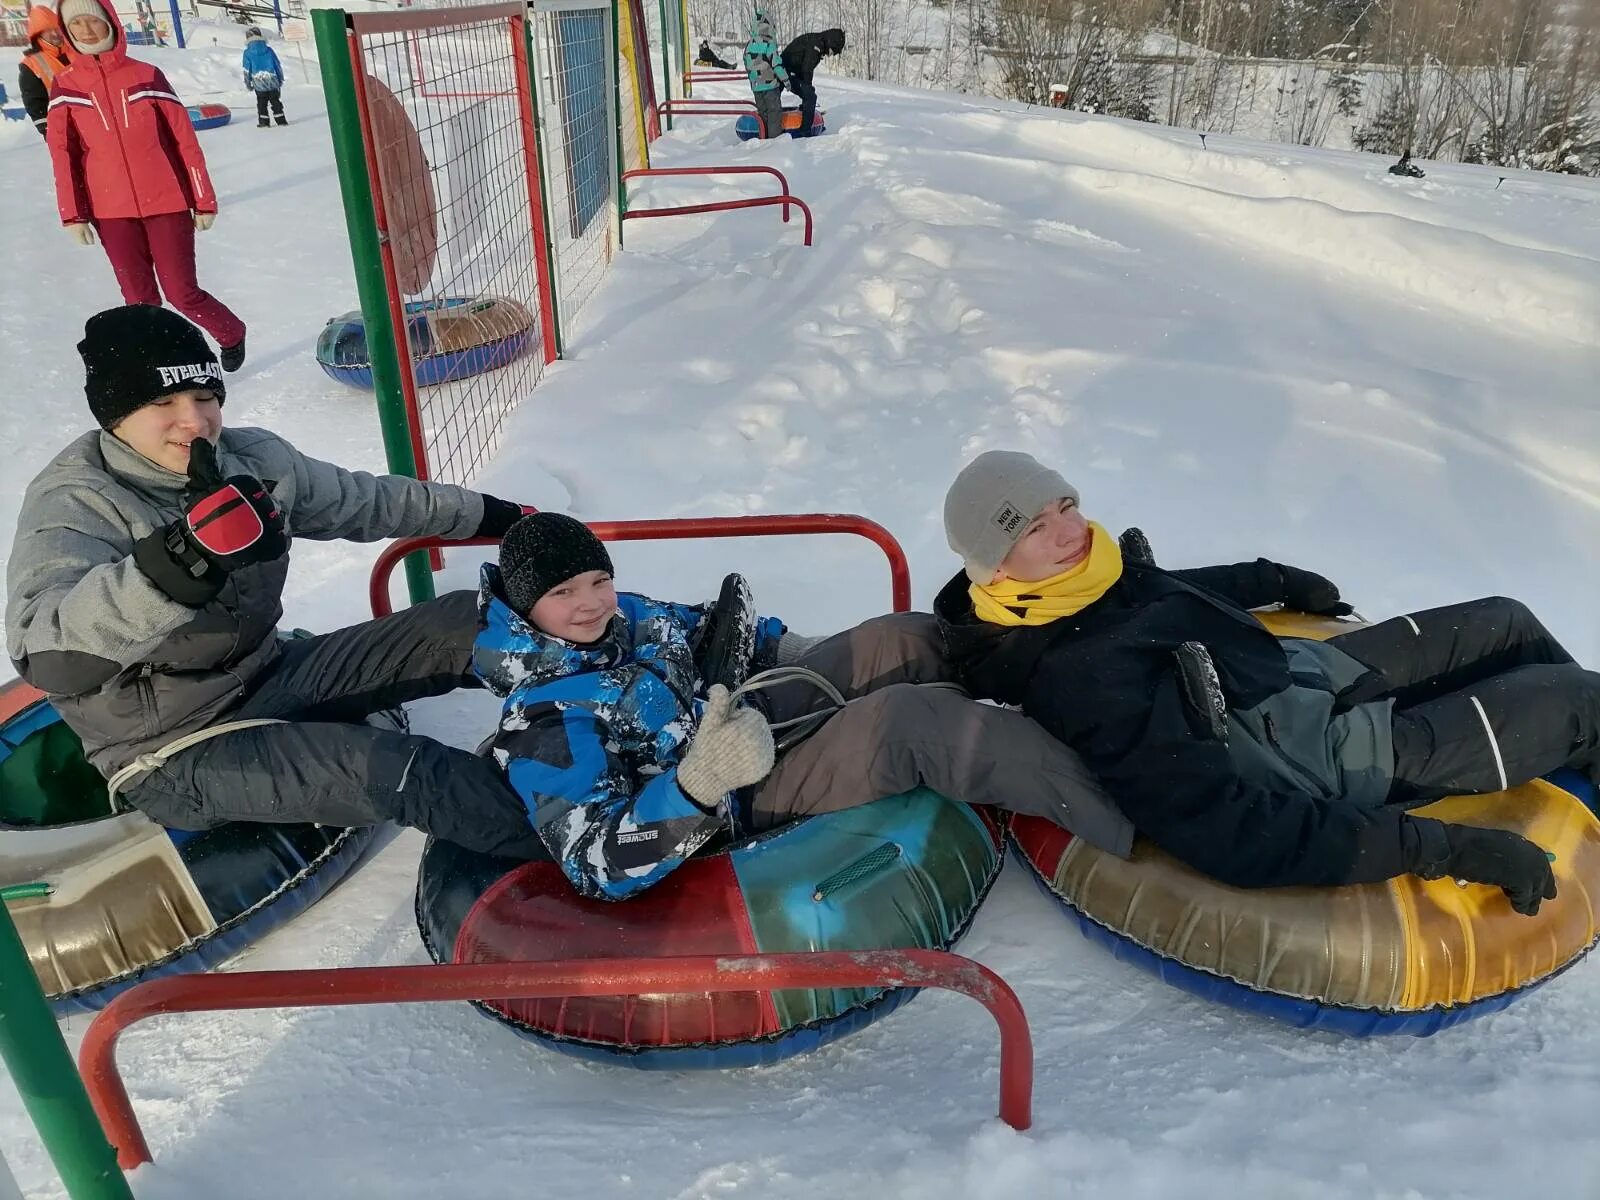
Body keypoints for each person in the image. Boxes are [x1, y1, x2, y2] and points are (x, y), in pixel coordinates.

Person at [933, 450, 1600, 917]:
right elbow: (1228, 831)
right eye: (1037, 527)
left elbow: (1161, 596)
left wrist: (1271, 578)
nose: (1072, 532)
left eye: (1067, 505)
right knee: (1582, 701)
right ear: (993, 570)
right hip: (1320, 758)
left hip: (1298, 677)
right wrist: (1447, 847)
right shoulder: (1083, 679)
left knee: (1508, 620)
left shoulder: (1076, 582)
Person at [5, 305, 542, 858]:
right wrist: (178, 564)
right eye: (163, 403)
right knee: (410, 770)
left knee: (469, 621)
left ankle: (619, 689)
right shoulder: (76, 500)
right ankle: (594, 844)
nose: (194, 421)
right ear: (115, 415)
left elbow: (368, 502)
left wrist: (502, 518)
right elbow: (47, 653)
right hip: (169, 748)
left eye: (206, 398)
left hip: (271, 674)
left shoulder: (252, 459)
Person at [471, 511, 1134, 901]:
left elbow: (706, 631)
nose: (591, 602)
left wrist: (798, 650)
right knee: (908, 724)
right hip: (723, 804)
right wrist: (698, 784)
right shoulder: (544, 722)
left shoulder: (624, 619)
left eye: (599, 579)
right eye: (565, 592)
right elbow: (596, 861)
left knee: (899, 637)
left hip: (736, 720)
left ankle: (1088, 662)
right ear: (526, 609)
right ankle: (1133, 810)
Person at [47, 0, 248, 371]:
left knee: (181, 292)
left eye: (94, 21)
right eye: (78, 25)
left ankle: (231, 332)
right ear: (67, 31)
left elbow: (184, 139)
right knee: (139, 299)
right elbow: (62, 154)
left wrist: (203, 199)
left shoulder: (146, 75)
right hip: (110, 211)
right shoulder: (66, 85)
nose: (88, 31)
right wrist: (72, 214)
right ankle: (160, 362)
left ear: (111, 23)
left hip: (166, 202)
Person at [18, 5, 73, 137]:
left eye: (56, 28)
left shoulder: (78, 50)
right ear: (37, 34)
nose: (54, 33)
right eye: (47, 30)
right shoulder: (31, 65)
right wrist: (50, 133)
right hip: (64, 129)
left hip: (93, 121)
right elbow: (35, 104)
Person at [780, 27, 843, 139]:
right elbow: (806, 68)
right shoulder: (816, 45)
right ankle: (805, 131)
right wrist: (807, 89)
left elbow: (804, 66)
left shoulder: (817, 41)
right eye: (832, 51)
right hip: (785, 72)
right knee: (810, 96)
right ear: (830, 43)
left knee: (809, 92)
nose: (830, 54)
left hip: (789, 70)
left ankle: (805, 114)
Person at [742, 8, 787, 140]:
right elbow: (776, 64)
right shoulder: (769, 44)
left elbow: (746, 62)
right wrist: (786, 80)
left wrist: (753, 79)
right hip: (770, 85)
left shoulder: (749, 44)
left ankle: (763, 138)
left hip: (756, 86)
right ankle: (773, 142)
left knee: (762, 114)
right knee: (774, 113)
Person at [241, 26, 285, 128]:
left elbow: (246, 70)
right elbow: (277, 65)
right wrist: (280, 78)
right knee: (275, 101)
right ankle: (281, 120)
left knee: (261, 102)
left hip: (258, 82)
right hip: (272, 80)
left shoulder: (247, 53)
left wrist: (248, 84)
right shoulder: (269, 50)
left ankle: (264, 122)